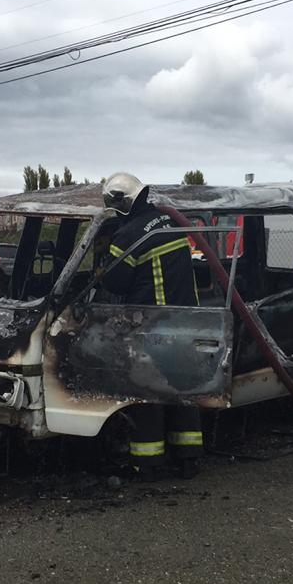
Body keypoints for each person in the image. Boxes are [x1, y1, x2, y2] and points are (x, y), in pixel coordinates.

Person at [100, 172, 204, 479]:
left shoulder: (128, 235)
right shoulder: (169, 223)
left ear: (121, 202)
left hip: (151, 325)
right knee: (183, 391)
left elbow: (117, 284)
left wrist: (101, 269)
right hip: (188, 320)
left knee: (147, 396)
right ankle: (188, 460)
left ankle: (148, 464)